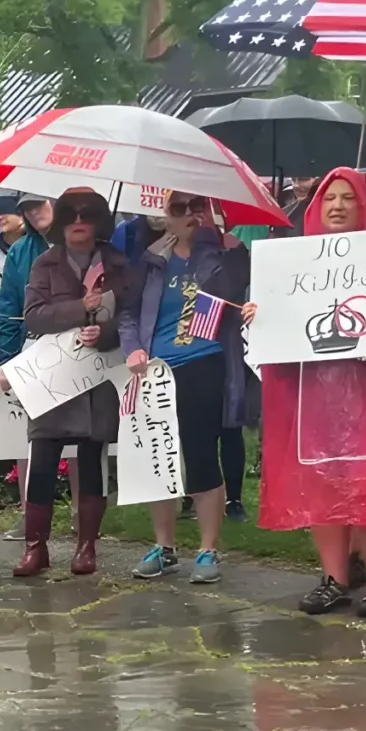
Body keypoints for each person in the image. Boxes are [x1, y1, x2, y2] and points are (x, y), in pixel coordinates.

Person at [254, 168, 366, 619]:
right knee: (322, 482)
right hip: (314, 397)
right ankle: (334, 578)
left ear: (363, 205)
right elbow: (281, 324)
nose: (338, 205)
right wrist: (260, 315)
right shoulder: (293, 262)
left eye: (347, 197)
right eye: (328, 198)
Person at [121, 193, 251, 584]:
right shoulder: (151, 260)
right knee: (159, 457)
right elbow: (129, 313)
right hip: (155, 368)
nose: (189, 215)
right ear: (166, 217)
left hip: (204, 361)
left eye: (197, 206)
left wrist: (223, 244)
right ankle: (164, 546)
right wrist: (133, 350)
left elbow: (237, 292)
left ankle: (208, 548)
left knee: (199, 455)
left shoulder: (227, 252)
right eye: (179, 209)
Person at [9, 189, 129, 577]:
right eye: (72, 214)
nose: (79, 221)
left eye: (88, 214)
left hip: (97, 377)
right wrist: (83, 308)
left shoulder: (117, 262)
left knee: (93, 460)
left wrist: (105, 332)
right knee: (42, 459)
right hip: (54, 378)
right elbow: (34, 316)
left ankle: (86, 546)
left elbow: (130, 317)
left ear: (99, 220)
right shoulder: (46, 263)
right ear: (60, 220)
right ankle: (35, 547)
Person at [0, 192, 56, 363]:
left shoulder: (80, 243)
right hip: (31, 348)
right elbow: (8, 312)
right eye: (27, 208)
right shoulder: (19, 251)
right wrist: (5, 361)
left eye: (38, 204)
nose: (33, 212)